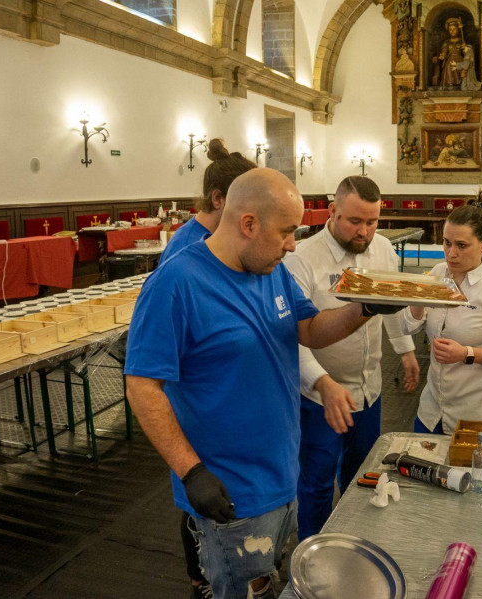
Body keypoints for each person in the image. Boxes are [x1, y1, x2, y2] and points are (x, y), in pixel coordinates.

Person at [124, 168, 402, 599]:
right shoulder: (176, 283)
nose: (292, 244)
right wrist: (191, 471)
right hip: (232, 494)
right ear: (248, 224)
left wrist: (365, 308)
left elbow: (309, 329)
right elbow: (142, 386)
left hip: (282, 476)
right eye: (287, 231)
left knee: (270, 581)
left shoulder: (270, 270)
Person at [284, 176, 420, 541]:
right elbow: (291, 336)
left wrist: (405, 350)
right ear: (332, 211)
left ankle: (353, 546)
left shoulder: (383, 251)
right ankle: (311, 554)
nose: (364, 232)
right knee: (316, 482)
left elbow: (387, 307)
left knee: (363, 477)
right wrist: (320, 382)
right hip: (318, 395)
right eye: (354, 221)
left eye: (372, 222)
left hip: (368, 389)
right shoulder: (302, 258)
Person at [157, 139, 256, 597]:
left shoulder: (229, 241)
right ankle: (200, 577)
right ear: (221, 200)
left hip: (233, 398)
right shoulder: (183, 255)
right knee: (201, 503)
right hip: (202, 399)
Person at [401, 201, 482, 434]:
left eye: (461, 245)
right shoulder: (437, 273)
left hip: (478, 409)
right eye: (447, 243)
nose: (451, 253)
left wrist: (466, 353)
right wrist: (417, 302)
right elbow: (407, 327)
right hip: (432, 407)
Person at [160, 138, 256, 264]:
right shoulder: (185, 250)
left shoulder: (225, 237)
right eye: (248, 202)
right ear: (217, 198)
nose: (254, 213)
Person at [432, 17, 469, 88]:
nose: (452, 31)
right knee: (449, 65)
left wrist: (464, 48)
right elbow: (444, 51)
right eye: (450, 30)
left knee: (461, 65)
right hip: (450, 59)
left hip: (459, 59)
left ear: (458, 30)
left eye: (454, 29)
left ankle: (460, 83)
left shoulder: (461, 41)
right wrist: (442, 55)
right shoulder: (447, 42)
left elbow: (466, 53)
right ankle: (450, 83)